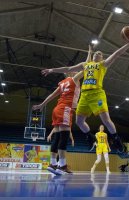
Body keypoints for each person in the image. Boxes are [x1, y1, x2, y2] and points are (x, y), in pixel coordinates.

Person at [41, 32, 129, 152]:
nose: (98, 53)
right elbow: (69, 69)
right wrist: (52, 70)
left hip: (97, 94)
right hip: (85, 95)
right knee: (79, 121)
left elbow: (117, 54)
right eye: (96, 52)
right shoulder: (85, 65)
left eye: (100, 53)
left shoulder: (103, 64)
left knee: (105, 119)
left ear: (102, 58)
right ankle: (90, 137)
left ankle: (116, 139)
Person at [33, 46, 86, 174]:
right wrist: (89, 53)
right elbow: (86, 67)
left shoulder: (62, 83)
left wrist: (42, 104)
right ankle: (62, 165)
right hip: (65, 109)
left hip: (57, 109)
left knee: (57, 136)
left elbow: (52, 95)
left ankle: (52, 163)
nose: (75, 71)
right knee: (64, 136)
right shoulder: (74, 79)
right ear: (71, 73)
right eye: (74, 70)